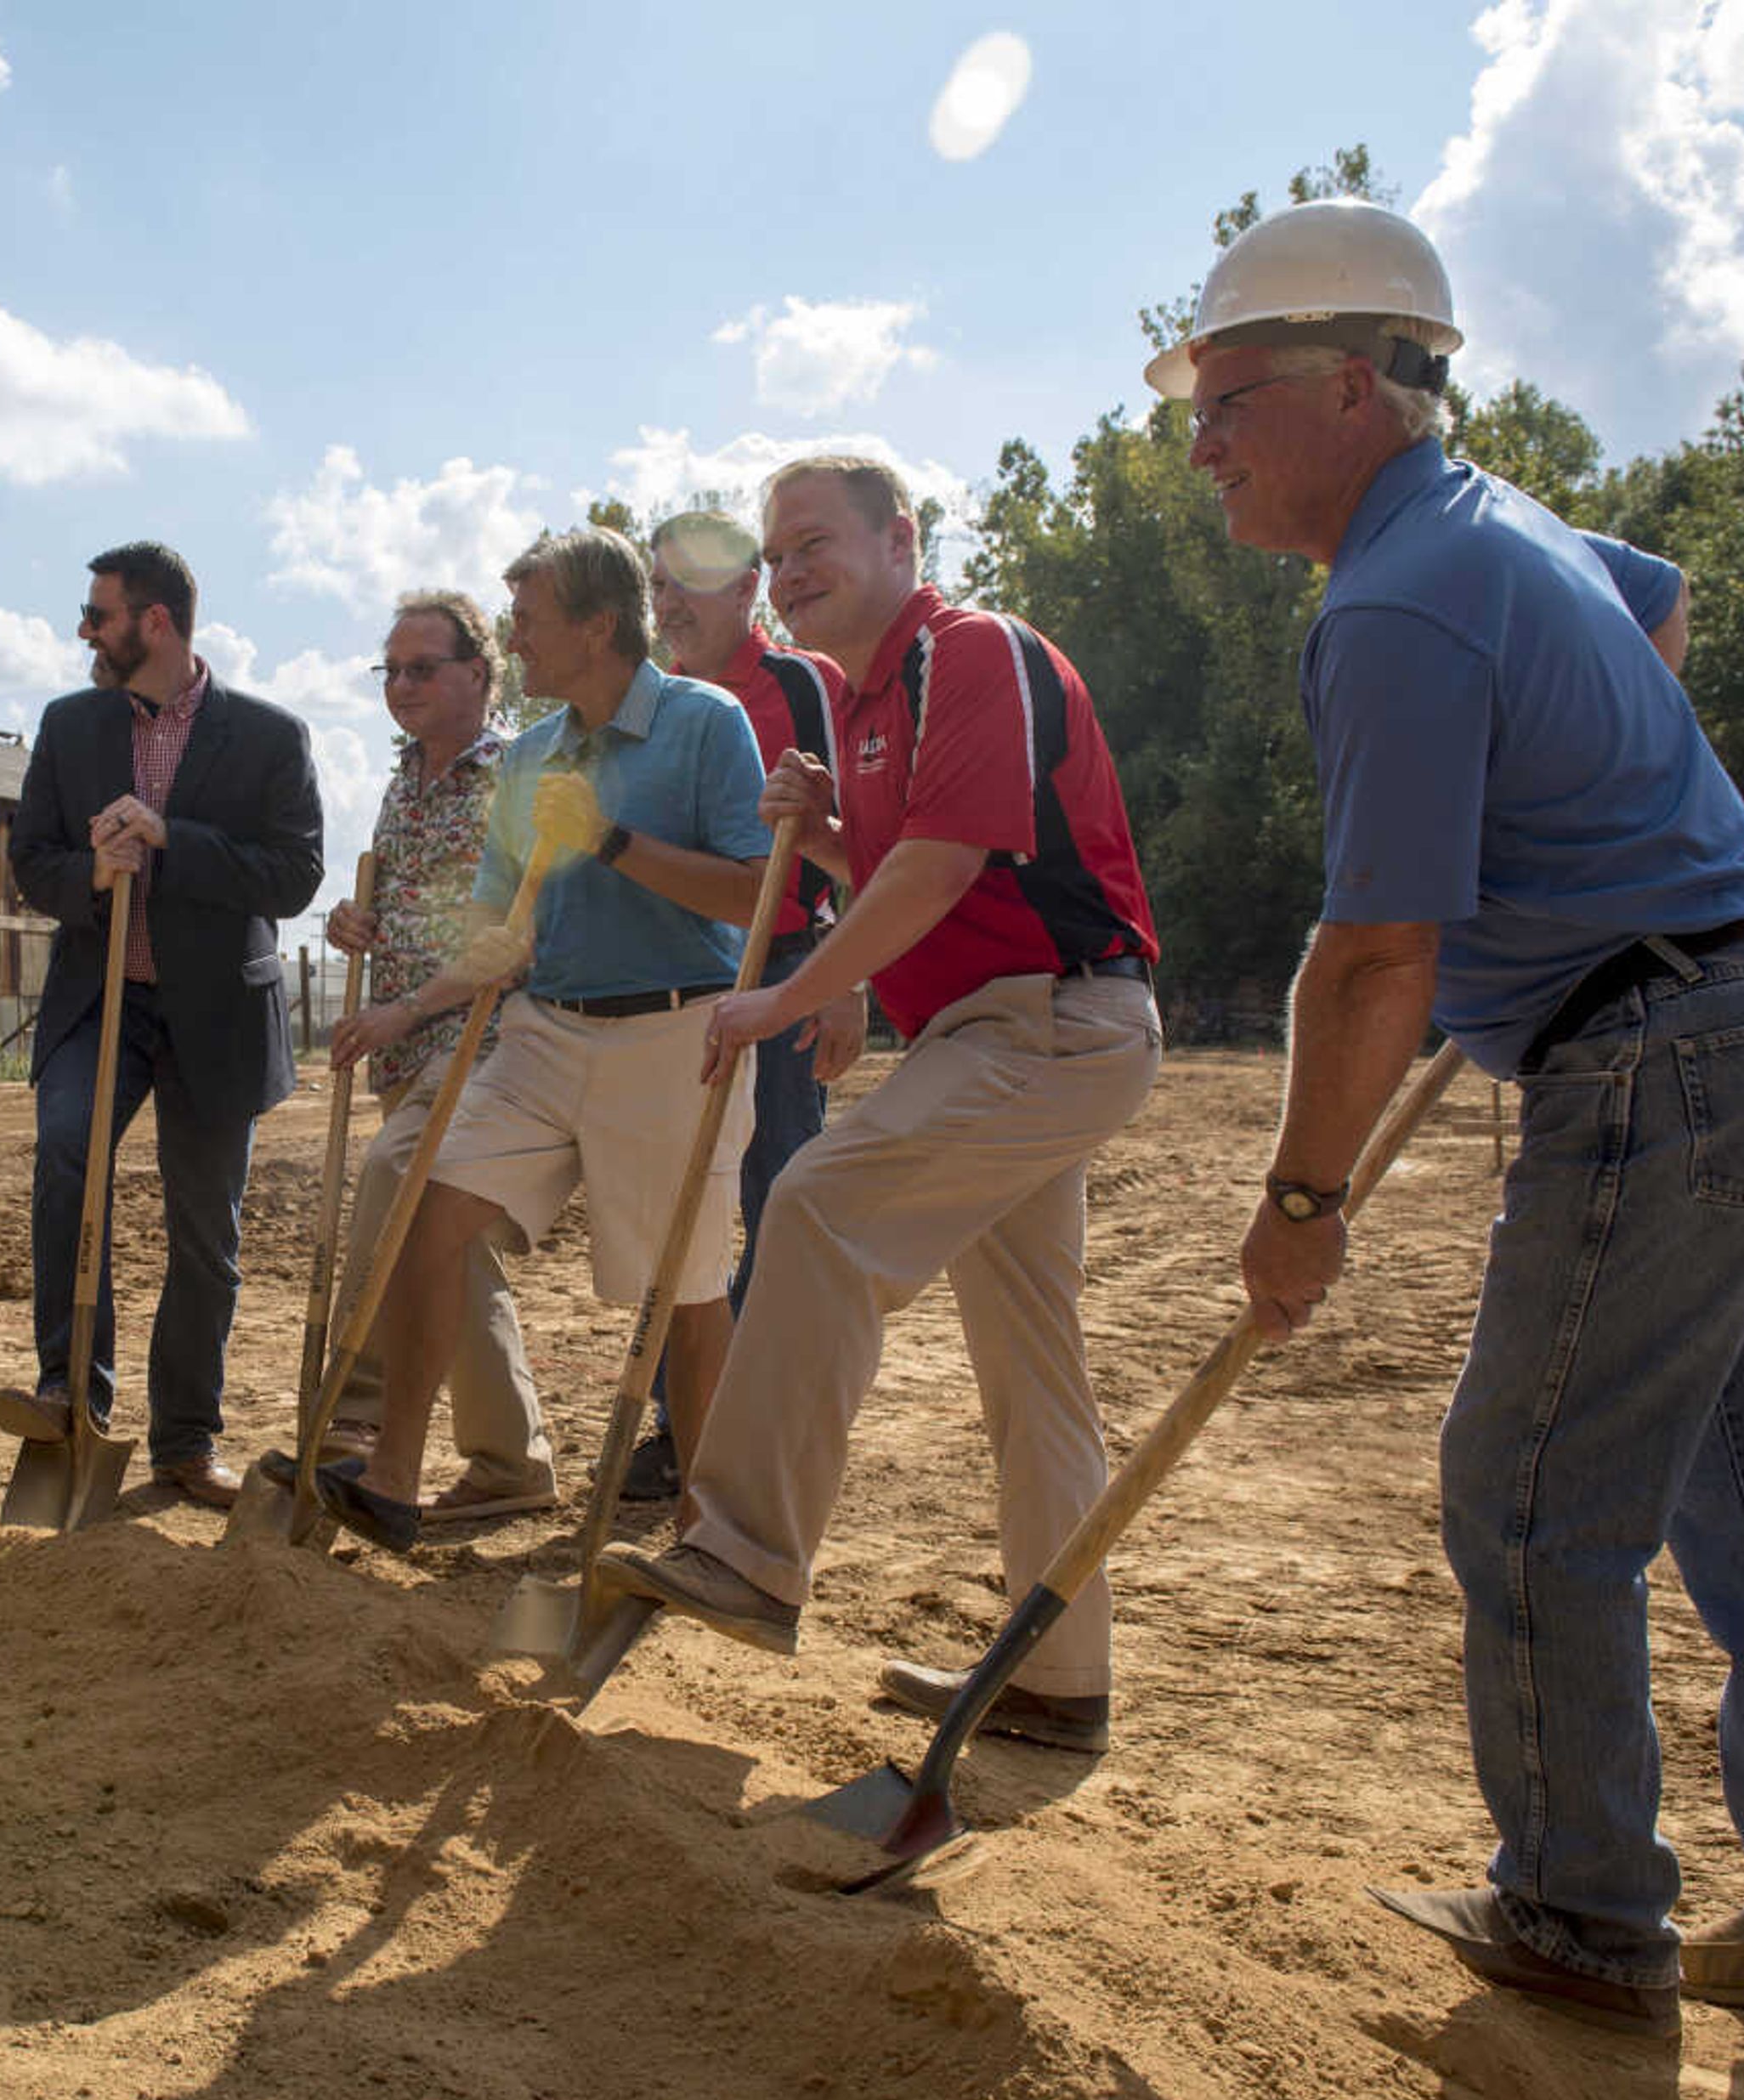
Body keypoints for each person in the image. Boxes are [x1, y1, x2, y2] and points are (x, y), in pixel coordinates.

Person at [1159, 198, 1744, 2037]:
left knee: (1527, 1497)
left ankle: (1583, 1913)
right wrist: (1598, 812)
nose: (1200, 446)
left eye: (1228, 402)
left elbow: (1371, 962)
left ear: (1355, 388)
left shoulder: (1396, 602)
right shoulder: (1493, 530)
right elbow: (1657, 598)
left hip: (1668, 1047)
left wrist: (1302, 1200)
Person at [591, 457, 1163, 1754]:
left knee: (819, 1205)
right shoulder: (864, 699)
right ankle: (1059, 1675)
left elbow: (943, 865)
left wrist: (787, 1001)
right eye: (777, 555)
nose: (790, 575)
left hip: (1055, 1020)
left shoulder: (966, 651)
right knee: (1033, 1365)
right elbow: (911, 860)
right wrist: (828, 826)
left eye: (814, 545)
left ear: (901, 537)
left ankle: (743, 1550)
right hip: (997, 1031)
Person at [314, 526, 772, 1553]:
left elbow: (754, 896)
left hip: (675, 1028)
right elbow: (495, 927)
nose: (515, 640)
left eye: (527, 621)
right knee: (429, 1212)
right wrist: (383, 935)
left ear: (597, 625)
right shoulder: (530, 754)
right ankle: (391, 1477)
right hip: (541, 1034)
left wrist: (609, 842)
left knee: (685, 1290)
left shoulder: (707, 725)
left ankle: (713, 1532)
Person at [3, 542, 325, 1508]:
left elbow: (294, 874)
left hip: (217, 1013)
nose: (84, 632)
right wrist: (91, 874)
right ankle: (70, 1396)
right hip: (101, 996)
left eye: (97, 615)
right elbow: (30, 859)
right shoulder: (69, 725)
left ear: (154, 622)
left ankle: (185, 1440)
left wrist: (171, 840)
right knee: (68, 1157)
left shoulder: (269, 735)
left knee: (205, 1233)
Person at [617, 507, 862, 1500]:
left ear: (748, 587)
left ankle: (746, 1427)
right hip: (682, 979)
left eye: (689, 582)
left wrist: (843, 971)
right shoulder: (654, 702)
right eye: (658, 585)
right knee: (683, 1204)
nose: (668, 602)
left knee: (779, 1199)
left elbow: (859, 827)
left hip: (789, 963)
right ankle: (685, 1425)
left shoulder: (805, 683)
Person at [315, 591, 555, 1520]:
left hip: (483, 1041)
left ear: (480, 674)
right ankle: (510, 1462)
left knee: (393, 1178)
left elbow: (522, 930)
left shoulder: (516, 775)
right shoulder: (401, 779)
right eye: (392, 670)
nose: (403, 686)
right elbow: (401, 898)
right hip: (402, 1046)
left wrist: (410, 1007)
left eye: (424, 668)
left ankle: (354, 1412)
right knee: (446, 1252)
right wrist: (351, 921)